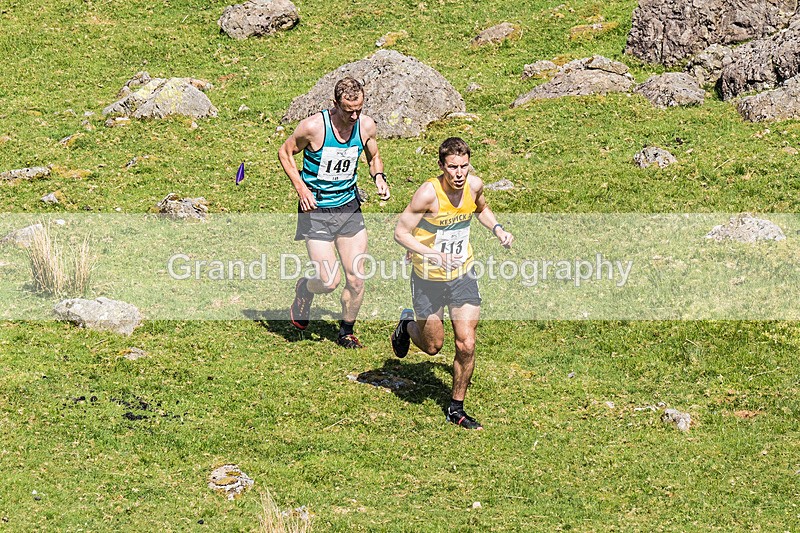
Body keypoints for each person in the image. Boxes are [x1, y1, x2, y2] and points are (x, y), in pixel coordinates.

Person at [391, 137, 514, 429]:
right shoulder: (428, 194)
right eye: (452, 168)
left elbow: (481, 209)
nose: (459, 174)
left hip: (462, 274)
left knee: (467, 343)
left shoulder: (474, 185)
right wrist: (431, 254)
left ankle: (455, 408)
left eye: (464, 166)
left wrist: (498, 230)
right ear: (441, 166)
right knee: (434, 346)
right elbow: (400, 232)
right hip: (427, 279)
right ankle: (407, 324)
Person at [278, 77, 390, 348]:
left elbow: (373, 155)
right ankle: (305, 288)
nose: (354, 115)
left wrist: (378, 176)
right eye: (348, 109)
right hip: (316, 210)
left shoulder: (365, 126)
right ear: (335, 104)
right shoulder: (314, 127)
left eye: (359, 109)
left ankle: (346, 332)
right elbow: (285, 152)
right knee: (329, 281)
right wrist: (301, 188)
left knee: (356, 278)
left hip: (349, 208)